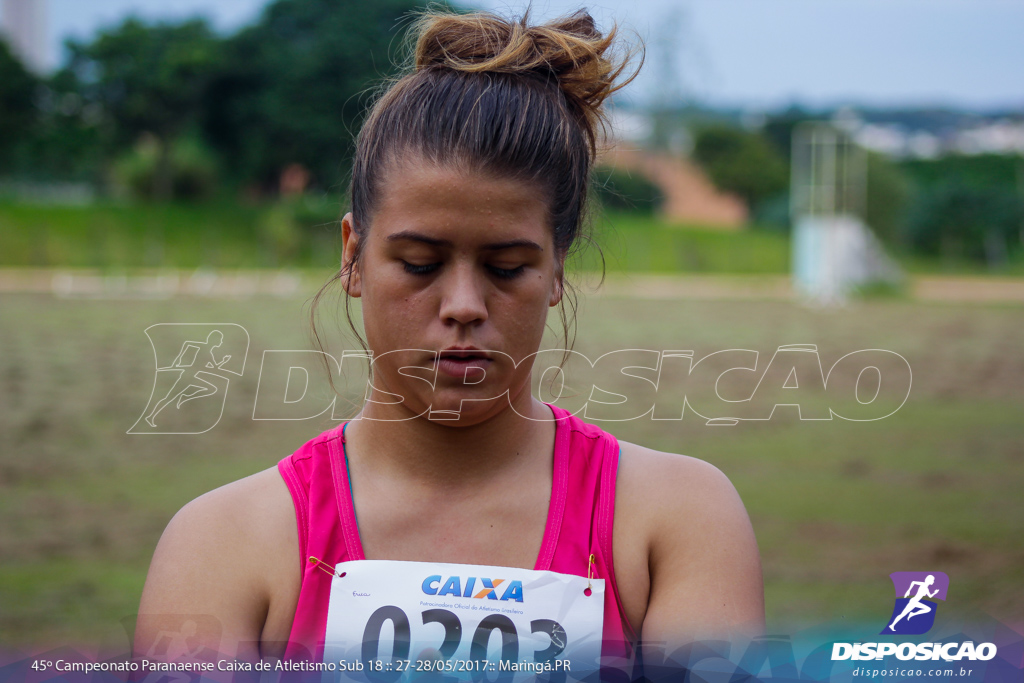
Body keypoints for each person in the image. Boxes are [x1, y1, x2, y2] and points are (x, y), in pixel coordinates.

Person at [135, 7, 764, 673]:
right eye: (419, 263)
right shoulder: (223, 544)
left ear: (556, 269)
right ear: (352, 256)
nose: (463, 306)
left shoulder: (675, 522)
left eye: (506, 268)